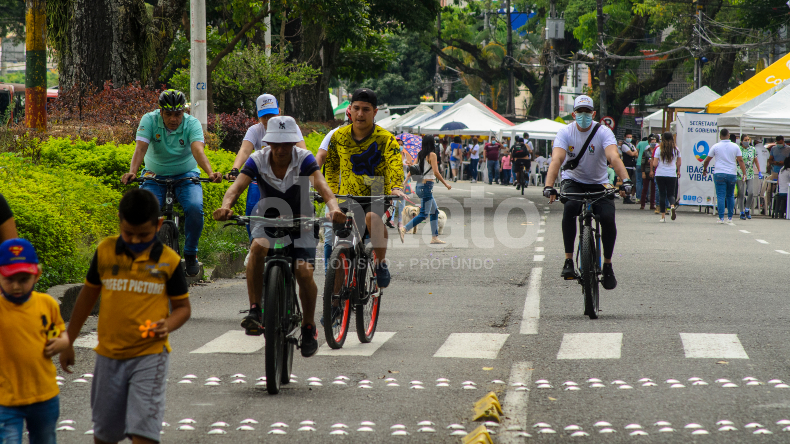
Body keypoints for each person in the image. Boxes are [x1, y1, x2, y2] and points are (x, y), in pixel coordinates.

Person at [60, 188, 191, 443]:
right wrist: (69, 340)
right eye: (128, 233)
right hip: (109, 356)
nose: (135, 240)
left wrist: (167, 324)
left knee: (143, 431)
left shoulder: (169, 260)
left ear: (159, 224)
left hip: (150, 356)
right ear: (119, 220)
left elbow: (183, 309)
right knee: (105, 433)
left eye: (144, 235)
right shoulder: (106, 251)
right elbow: (86, 298)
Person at [214, 116, 344, 353]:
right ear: (268, 143)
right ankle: (255, 309)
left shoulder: (304, 159)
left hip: (302, 220)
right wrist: (226, 206)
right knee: (257, 248)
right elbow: (236, 188)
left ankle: (308, 326)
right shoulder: (257, 160)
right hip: (267, 220)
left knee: (303, 271)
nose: (282, 149)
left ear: (295, 143)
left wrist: (334, 209)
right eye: (276, 143)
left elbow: (323, 187)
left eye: (287, 144)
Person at [121, 89, 223, 276]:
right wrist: (132, 172)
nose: (174, 119)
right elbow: (140, 148)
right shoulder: (149, 120)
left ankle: (191, 253)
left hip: (186, 175)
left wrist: (210, 173)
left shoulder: (191, 124)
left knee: (194, 207)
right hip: (154, 175)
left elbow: (198, 151)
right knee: (144, 212)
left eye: (178, 114)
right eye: (168, 114)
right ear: (160, 112)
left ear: (184, 112)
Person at [542, 95, 632, 294]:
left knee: (608, 218)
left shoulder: (603, 132)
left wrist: (625, 181)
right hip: (573, 181)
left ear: (593, 114)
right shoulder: (565, 132)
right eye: (579, 112)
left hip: (600, 182)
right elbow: (557, 159)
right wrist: (549, 186)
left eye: (587, 112)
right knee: (570, 209)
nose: (583, 115)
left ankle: (607, 265)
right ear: (574, 114)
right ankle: (568, 260)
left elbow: (613, 157)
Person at [324, 88, 405, 288]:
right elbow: (332, 167)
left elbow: (394, 163)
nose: (360, 114)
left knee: (372, 218)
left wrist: (395, 187)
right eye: (356, 108)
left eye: (366, 109)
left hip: (377, 194)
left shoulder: (386, 138)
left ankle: (380, 263)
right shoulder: (338, 136)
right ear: (350, 109)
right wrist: (331, 195)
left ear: (375, 112)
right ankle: (333, 309)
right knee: (339, 253)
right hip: (346, 196)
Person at [0, 238, 69, 444]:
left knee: (45, 439)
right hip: (5, 399)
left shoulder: (46, 304)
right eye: (9, 279)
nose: (16, 286)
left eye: (23, 279)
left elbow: (60, 334)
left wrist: (61, 343)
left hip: (44, 395)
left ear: (36, 275)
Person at [226, 94, 307, 249]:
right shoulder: (254, 131)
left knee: (297, 215)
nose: (269, 120)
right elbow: (244, 150)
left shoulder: (291, 127)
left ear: (279, 111)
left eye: (272, 115)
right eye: (265, 117)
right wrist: (235, 169)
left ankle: (293, 247)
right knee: (251, 212)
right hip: (261, 180)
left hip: (287, 179)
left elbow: (303, 150)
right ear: (258, 116)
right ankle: (254, 246)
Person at [399, 136, 452, 244]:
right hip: (426, 187)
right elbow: (436, 172)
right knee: (423, 214)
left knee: (434, 211)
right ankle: (404, 228)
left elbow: (413, 169)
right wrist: (446, 184)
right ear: (432, 143)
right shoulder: (432, 155)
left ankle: (434, 237)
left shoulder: (420, 154)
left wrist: (405, 182)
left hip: (419, 186)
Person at [702, 128, 746, 224]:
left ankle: (721, 217)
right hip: (731, 173)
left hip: (719, 173)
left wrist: (705, 169)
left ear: (720, 136)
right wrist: (744, 173)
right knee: (730, 195)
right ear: (729, 135)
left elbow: (707, 160)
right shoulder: (735, 146)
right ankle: (730, 217)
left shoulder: (716, 146)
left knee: (720, 195)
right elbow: (741, 160)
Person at [651, 132, 681, 222]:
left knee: (662, 194)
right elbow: (679, 162)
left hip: (660, 173)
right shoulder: (676, 149)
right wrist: (678, 170)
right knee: (671, 194)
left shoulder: (659, 149)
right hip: (672, 174)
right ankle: (672, 206)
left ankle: (663, 217)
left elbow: (655, 163)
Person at [736, 135, 760, 220]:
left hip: (750, 173)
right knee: (741, 193)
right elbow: (736, 160)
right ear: (741, 141)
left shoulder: (752, 149)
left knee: (751, 192)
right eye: (745, 140)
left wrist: (759, 170)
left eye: (748, 140)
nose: (747, 141)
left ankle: (747, 209)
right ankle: (741, 211)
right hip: (740, 173)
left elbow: (756, 160)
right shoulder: (738, 149)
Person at [764, 135, 790, 215]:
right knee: (769, 190)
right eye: (777, 143)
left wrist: (784, 163)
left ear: (783, 141)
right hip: (775, 172)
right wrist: (774, 162)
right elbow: (770, 159)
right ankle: (767, 207)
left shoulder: (788, 149)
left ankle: (783, 209)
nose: (779, 144)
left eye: (780, 142)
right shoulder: (773, 148)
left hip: (786, 170)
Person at [620, 130, 638, 204]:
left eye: (630, 137)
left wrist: (634, 153)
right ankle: (626, 198)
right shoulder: (624, 145)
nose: (629, 138)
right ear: (625, 137)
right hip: (627, 166)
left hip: (632, 166)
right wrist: (634, 152)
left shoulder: (632, 145)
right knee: (627, 183)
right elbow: (631, 153)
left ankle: (629, 196)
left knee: (631, 183)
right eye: (628, 137)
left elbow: (636, 154)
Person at [639, 135, 657, 211]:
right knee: (645, 189)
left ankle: (652, 204)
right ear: (649, 143)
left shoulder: (657, 151)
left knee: (653, 189)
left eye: (655, 142)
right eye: (652, 142)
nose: (654, 144)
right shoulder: (646, 152)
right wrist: (642, 172)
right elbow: (642, 163)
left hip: (655, 172)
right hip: (646, 171)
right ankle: (642, 204)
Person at [635, 135, 650, 202]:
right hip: (647, 165)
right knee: (646, 182)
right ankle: (645, 197)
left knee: (639, 181)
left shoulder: (640, 143)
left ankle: (638, 197)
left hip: (639, 163)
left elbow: (636, 151)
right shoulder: (653, 145)